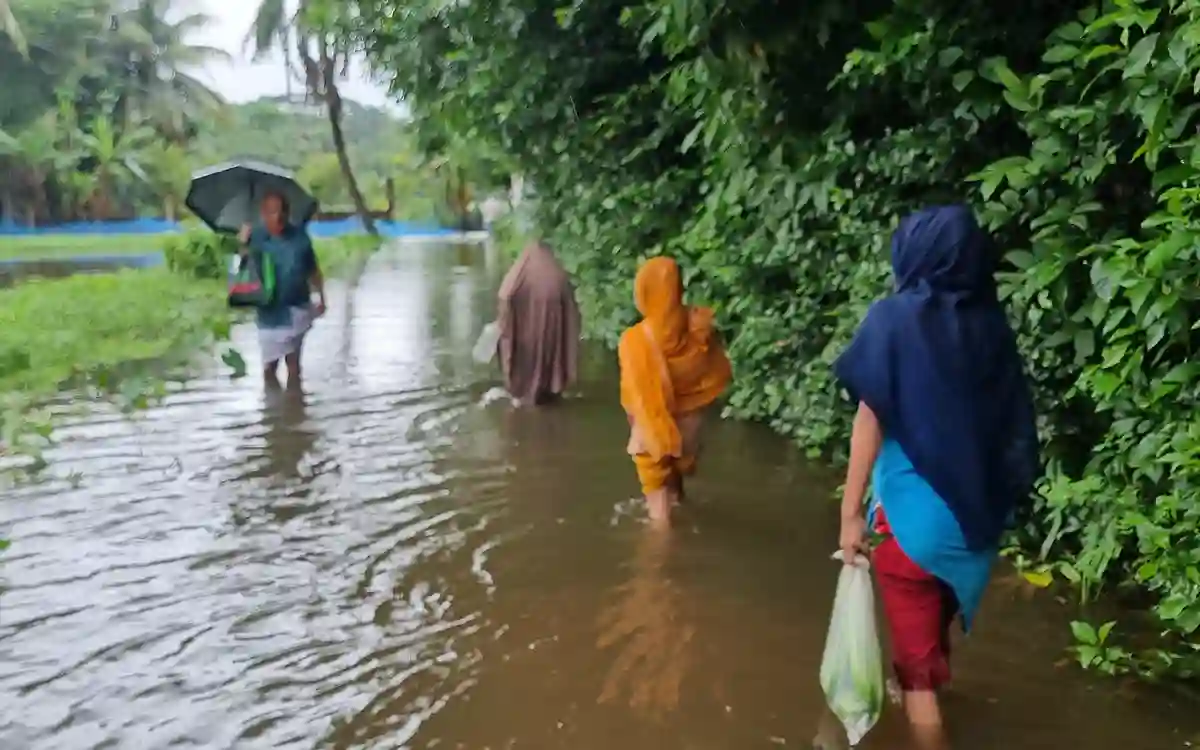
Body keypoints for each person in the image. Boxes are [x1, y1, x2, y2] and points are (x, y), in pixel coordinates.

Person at [832, 205, 1039, 748]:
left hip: (909, 528)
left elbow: (869, 424)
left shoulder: (894, 320)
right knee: (929, 643)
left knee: (914, 677)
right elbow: (1008, 431)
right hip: (972, 529)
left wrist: (850, 514)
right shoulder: (991, 327)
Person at [618, 257, 732, 524]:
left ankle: (663, 556)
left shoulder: (636, 341)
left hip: (653, 428)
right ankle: (679, 503)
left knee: (659, 517)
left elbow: (635, 396)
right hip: (690, 424)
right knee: (677, 484)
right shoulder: (698, 328)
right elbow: (716, 373)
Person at [238, 191, 326, 389]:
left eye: (280, 211)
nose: (276, 217)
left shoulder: (300, 238)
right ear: (263, 213)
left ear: (287, 213)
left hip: (297, 308)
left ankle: (294, 411)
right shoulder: (256, 237)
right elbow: (243, 271)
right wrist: (243, 245)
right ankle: (273, 414)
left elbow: (313, 269)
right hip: (269, 313)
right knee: (269, 367)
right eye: (271, 212)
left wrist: (321, 296)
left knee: (293, 364)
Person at [496, 240, 581, 405]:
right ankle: (550, 388)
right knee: (550, 358)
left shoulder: (519, 272)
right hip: (553, 329)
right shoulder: (558, 273)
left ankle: (526, 396)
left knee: (527, 364)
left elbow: (505, 296)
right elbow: (571, 308)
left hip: (526, 333)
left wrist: (504, 322)